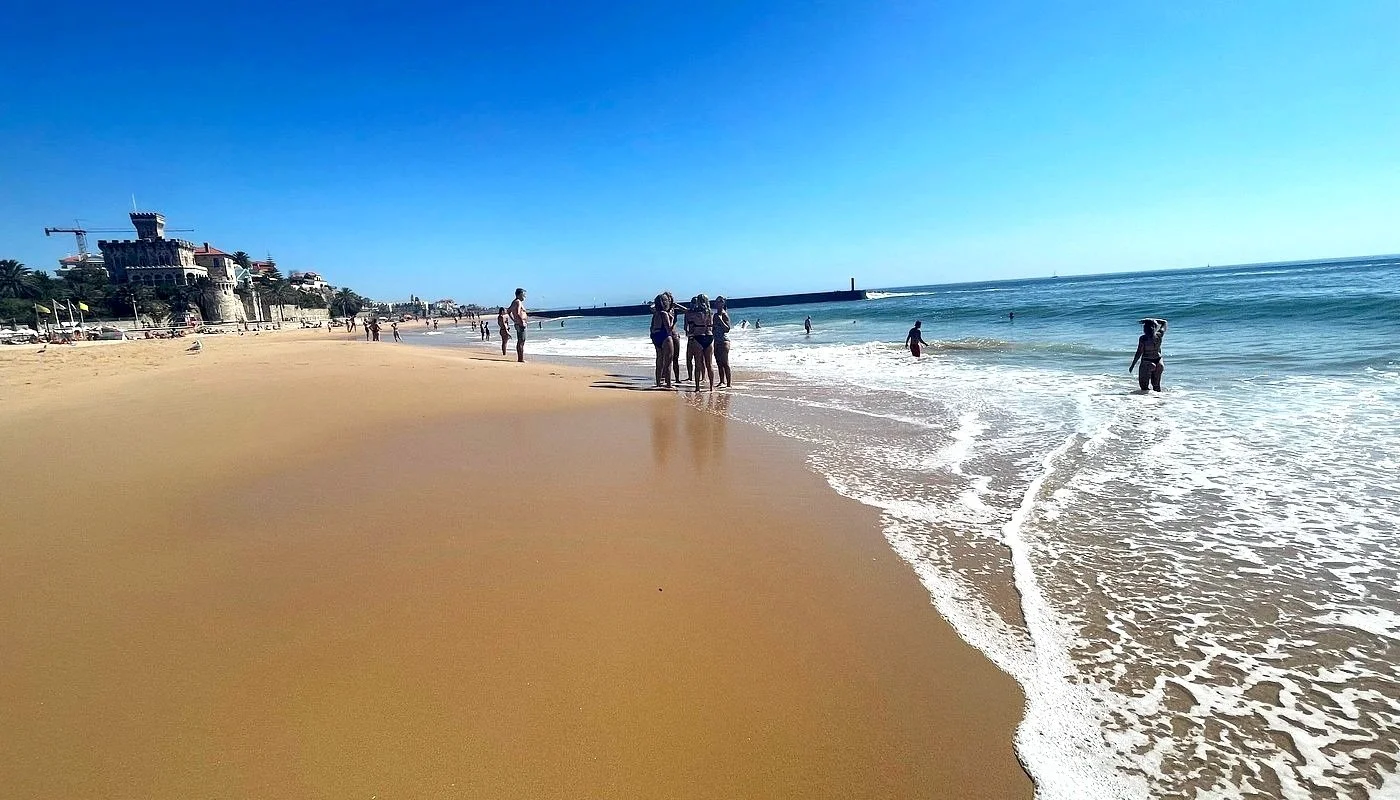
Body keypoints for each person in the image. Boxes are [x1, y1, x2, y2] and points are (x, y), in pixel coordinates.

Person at [685, 294, 717, 392]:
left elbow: (689, 318)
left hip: (698, 337)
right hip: (709, 337)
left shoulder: (694, 313)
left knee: (698, 364)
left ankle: (697, 387)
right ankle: (711, 387)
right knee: (709, 364)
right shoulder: (710, 312)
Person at [1129, 318, 1169, 392]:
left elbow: (1139, 352)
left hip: (1147, 362)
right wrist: (1152, 320)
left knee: (1144, 387)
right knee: (1156, 386)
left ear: (1145, 329)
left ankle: (1146, 402)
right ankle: (1159, 401)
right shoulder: (1159, 335)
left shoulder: (1143, 338)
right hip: (1159, 362)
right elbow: (1165, 322)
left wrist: (1133, 365)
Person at [649, 293, 675, 388]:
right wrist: (672, 318)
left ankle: (658, 383)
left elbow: (651, 328)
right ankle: (669, 384)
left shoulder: (655, 313)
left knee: (659, 360)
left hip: (656, 336)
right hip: (665, 336)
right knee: (668, 362)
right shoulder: (664, 313)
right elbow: (669, 328)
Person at [714, 296, 732, 387]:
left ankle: (729, 384)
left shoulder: (724, 314)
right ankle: (721, 381)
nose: (717, 304)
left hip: (724, 341)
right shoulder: (715, 314)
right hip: (716, 341)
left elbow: (727, 329)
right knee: (718, 362)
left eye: (719, 302)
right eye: (716, 302)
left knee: (725, 363)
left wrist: (720, 320)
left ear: (722, 303)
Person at [507, 287, 528, 362]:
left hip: (518, 323)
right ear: (519, 294)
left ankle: (520, 358)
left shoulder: (514, 302)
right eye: (523, 294)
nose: (525, 296)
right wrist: (521, 321)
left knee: (520, 341)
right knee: (521, 341)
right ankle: (520, 359)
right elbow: (518, 313)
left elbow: (508, 311)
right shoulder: (518, 302)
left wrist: (514, 320)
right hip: (520, 324)